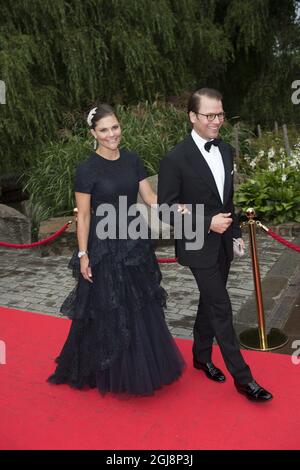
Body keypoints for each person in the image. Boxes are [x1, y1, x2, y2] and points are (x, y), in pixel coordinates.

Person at [47, 103, 185, 396]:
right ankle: (110, 368)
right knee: (110, 304)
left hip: (134, 237)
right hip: (104, 241)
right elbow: (83, 216)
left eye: (115, 127)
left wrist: (176, 206)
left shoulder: (133, 160)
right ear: (93, 134)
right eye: (104, 130)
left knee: (138, 302)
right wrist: (84, 254)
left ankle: (140, 363)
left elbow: (149, 198)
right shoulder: (86, 169)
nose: (112, 134)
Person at [158, 88, 273, 402]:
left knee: (211, 302)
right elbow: (166, 209)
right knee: (222, 307)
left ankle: (200, 355)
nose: (217, 121)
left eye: (220, 114)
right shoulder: (174, 158)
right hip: (197, 245)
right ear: (192, 116)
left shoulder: (225, 151)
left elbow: (228, 200)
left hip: (223, 242)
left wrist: (234, 233)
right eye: (209, 115)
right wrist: (206, 222)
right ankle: (244, 379)